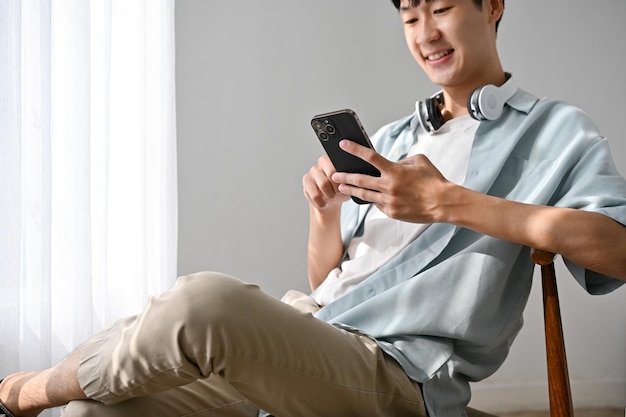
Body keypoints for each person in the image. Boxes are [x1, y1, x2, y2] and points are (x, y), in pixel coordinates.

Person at [1, 0, 625, 416]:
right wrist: (324, 213)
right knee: (93, 409)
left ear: (492, 5)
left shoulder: (556, 132)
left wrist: (450, 204)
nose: (425, 33)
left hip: (399, 375)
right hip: (317, 335)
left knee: (202, 304)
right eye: (409, 16)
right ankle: (51, 389)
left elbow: (618, 250)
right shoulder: (397, 140)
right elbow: (329, 282)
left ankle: (26, 389)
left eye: (442, 8)